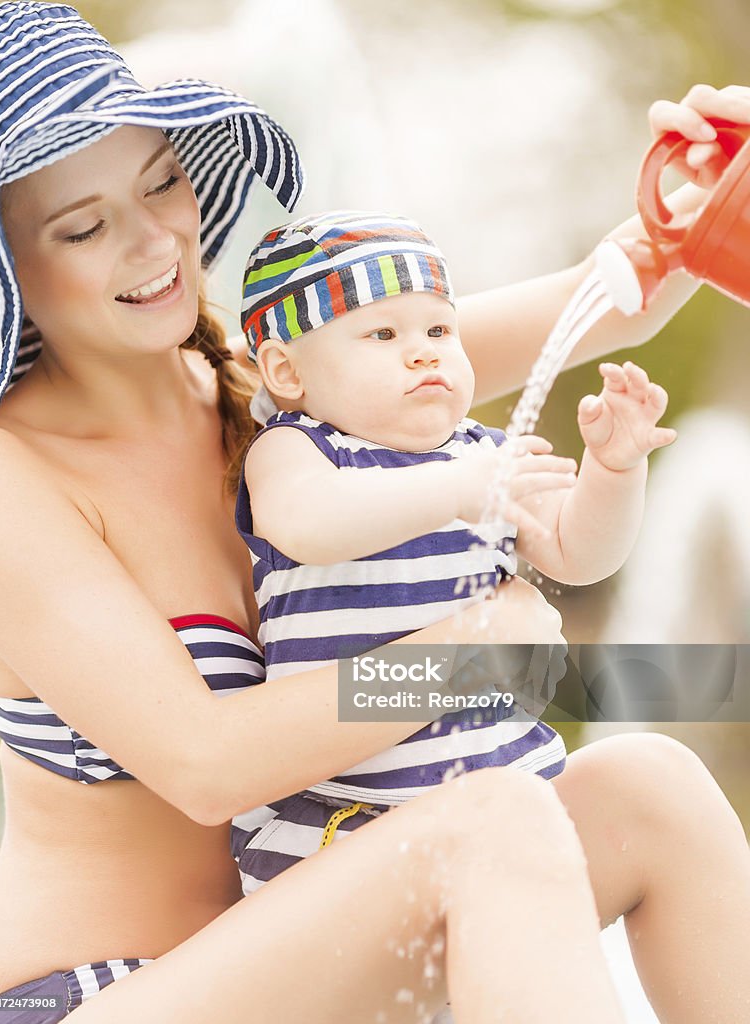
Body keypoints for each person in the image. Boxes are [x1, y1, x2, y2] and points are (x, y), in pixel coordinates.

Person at [0, 4, 748, 1022]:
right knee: (492, 824)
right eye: (84, 226)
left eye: (161, 180)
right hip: (97, 997)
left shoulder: (278, 389)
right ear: (5, 272)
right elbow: (206, 766)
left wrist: (698, 199)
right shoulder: (8, 477)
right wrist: (471, 653)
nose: (153, 239)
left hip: (318, 947)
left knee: (652, 782)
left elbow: (598, 301)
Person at [230, 210, 676, 895]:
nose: (424, 352)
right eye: (383, 334)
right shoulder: (297, 450)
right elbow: (311, 525)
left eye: (440, 330)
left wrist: (613, 473)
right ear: (287, 370)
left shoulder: (482, 454)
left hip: (508, 794)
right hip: (352, 818)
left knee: (653, 789)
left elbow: (577, 554)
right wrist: (456, 490)